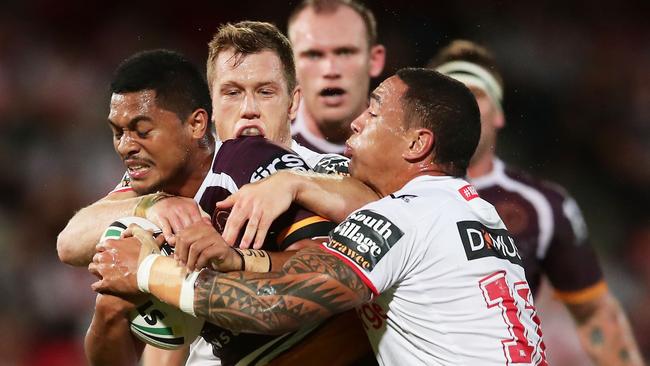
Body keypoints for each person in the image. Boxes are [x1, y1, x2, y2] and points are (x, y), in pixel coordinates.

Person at [90, 68, 549, 365]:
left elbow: (273, 305)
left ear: (417, 144)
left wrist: (148, 271)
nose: (355, 122)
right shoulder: (477, 214)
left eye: (374, 111)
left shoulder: (404, 216)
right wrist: (241, 260)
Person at [58, 22, 370, 366]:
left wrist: (292, 183)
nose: (249, 108)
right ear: (207, 108)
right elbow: (69, 241)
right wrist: (151, 213)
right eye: (232, 93)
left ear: (293, 102)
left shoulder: (319, 171)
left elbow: (363, 232)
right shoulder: (166, 178)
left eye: (265, 92)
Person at [427, 40, 643, 366]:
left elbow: (595, 315)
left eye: (476, 93)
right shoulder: (389, 189)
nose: (463, 105)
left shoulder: (540, 206)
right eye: (450, 94)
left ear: (499, 114)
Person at [287, 0, 385, 153]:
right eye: (313, 55)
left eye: (345, 52)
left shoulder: (404, 147)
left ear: (374, 60)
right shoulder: (266, 147)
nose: (330, 70)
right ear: (290, 65)